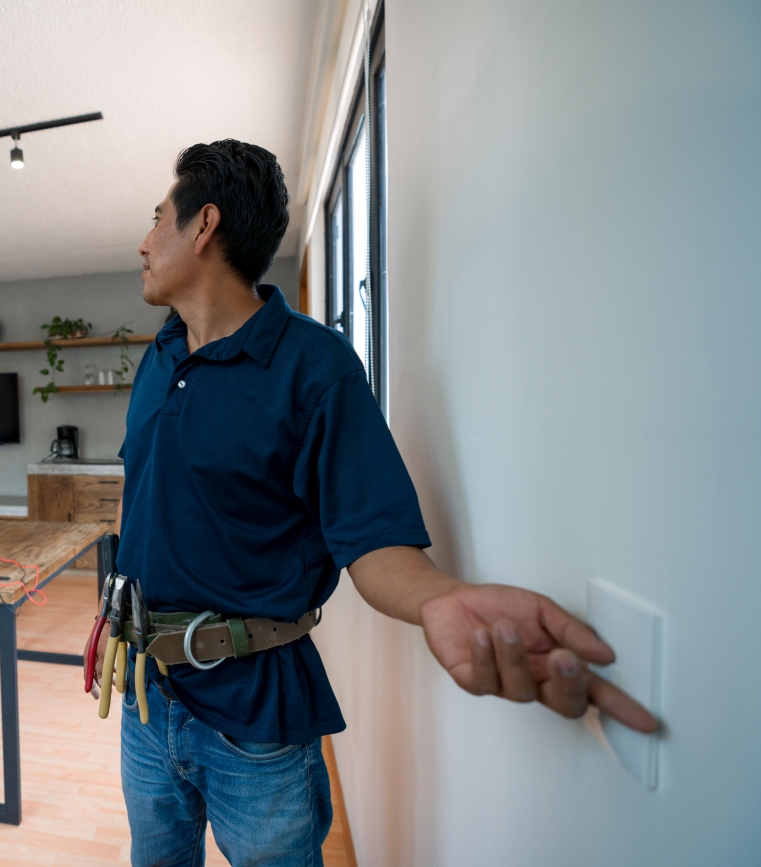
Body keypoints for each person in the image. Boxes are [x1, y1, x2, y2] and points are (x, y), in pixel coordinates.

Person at [97, 139, 658, 867]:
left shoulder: (315, 366)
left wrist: (439, 599)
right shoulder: (161, 354)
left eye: (155, 220)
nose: (142, 243)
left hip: (255, 722)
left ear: (202, 226)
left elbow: (371, 537)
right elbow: (144, 497)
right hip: (145, 699)